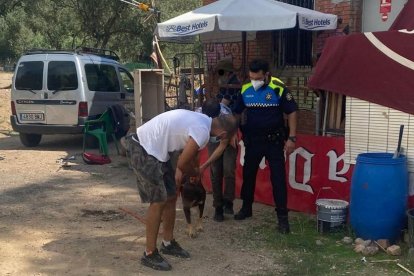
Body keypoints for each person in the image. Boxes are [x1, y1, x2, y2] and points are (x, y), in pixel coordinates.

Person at [125, 109, 238, 271]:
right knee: (158, 200)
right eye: (224, 138)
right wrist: (195, 172)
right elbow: (182, 163)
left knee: (171, 196)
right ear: (223, 133)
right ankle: (149, 253)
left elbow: (187, 154)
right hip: (143, 147)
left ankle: (168, 243)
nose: (221, 140)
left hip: (158, 151)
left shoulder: (204, 120)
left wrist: (193, 168)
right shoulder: (202, 131)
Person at [232, 59, 297, 234]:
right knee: (248, 176)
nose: (255, 81)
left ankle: (282, 218)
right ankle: (246, 208)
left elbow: (291, 112)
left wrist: (292, 138)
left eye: (258, 78)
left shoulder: (278, 87)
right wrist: (232, 133)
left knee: (278, 179)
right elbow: (237, 113)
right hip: (252, 141)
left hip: (273, 142)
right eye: (252, 77)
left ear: (266, 75)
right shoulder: (246, 89)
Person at [199, 98, 237, 222]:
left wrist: (233, 134)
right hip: (214, 139)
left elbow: (232, 126)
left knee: (229, 169)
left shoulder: (226, 116)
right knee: (215, 172)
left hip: (227, 136)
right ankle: (218, 206)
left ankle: (228, 201)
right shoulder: (198, 115)